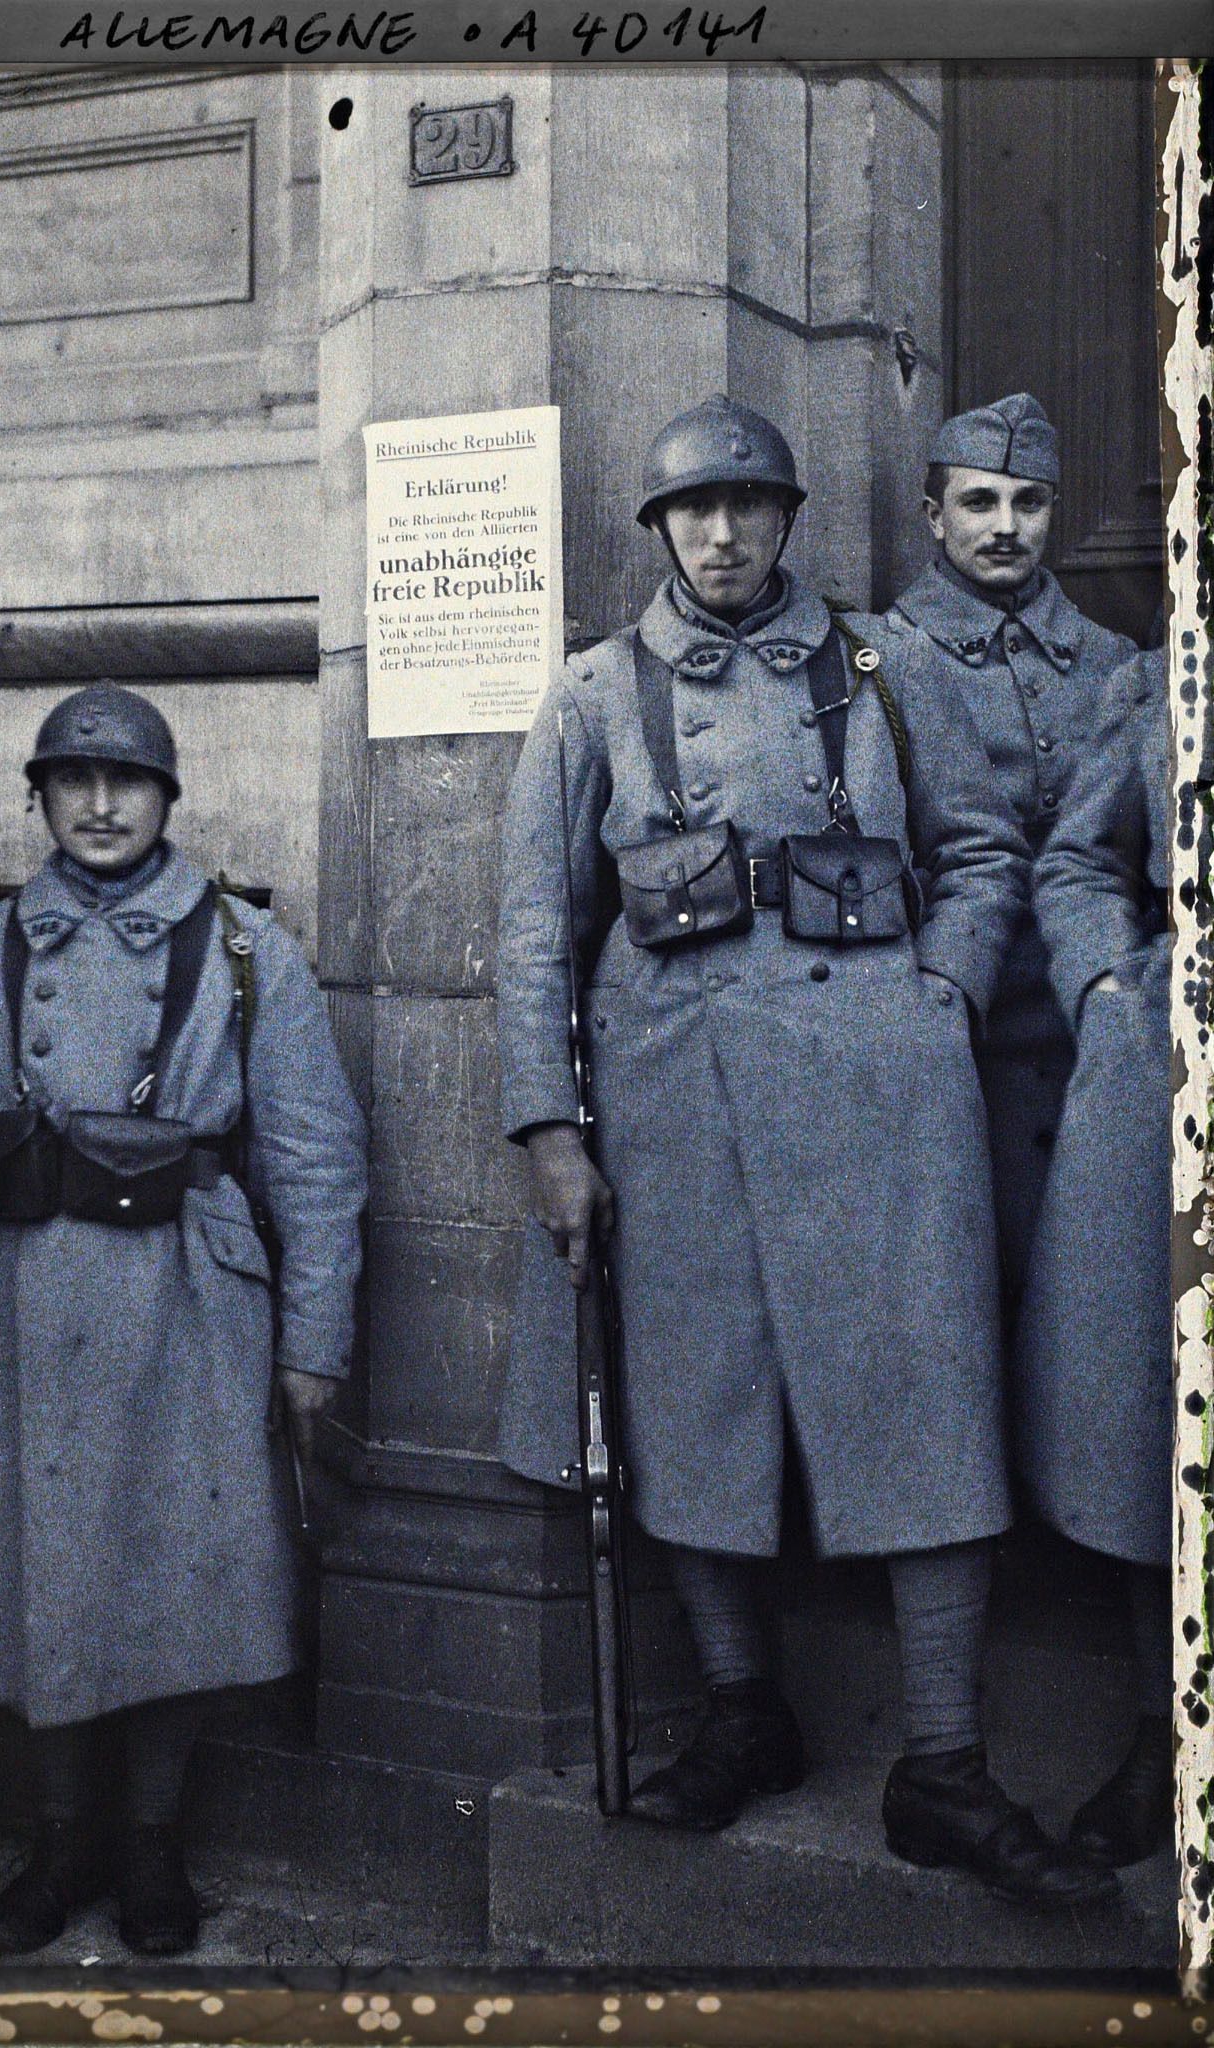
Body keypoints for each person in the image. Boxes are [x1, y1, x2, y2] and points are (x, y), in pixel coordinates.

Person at [497, 395, 1116, 1908]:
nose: (719, 537)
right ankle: (737, 1709)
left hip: (878, 1086)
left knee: (924, 1402)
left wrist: (935, 997)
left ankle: (942, 1766)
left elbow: (976, 852)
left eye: (746, 509)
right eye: (690, 512)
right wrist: (550, 1130)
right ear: (655, 530)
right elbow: (529, 932)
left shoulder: (880, 661)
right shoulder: (587, 699)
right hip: (672, 1088)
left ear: (789, 521)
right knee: (690, 1403)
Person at [0, 684, 368, 1956]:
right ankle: (56, 1836)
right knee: (35, 1580)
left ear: (166, 799)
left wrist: (313, 1345)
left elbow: (316, 1161)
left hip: (189, 1300)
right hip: (14, 1304)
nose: (99, 805)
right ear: (35, 797)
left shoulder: (249, 952)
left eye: (126, 781)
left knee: (165, 1581)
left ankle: (150, 1840)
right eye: (72, 780)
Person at [883, 395, 1138, 1320]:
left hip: (1090, 1033)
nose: (1003, 527)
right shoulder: (880, 658)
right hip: (952, 1035)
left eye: (1026, 503)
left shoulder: (1117, 664)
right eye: (978, 502)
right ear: (932, 516)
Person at [1016, 647, 1173, 1865]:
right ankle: (1167, 1736)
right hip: (1172, 1065)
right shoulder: (1164, 680)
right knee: (1150, 1416)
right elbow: (1076, 854)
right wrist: (1110, 984)